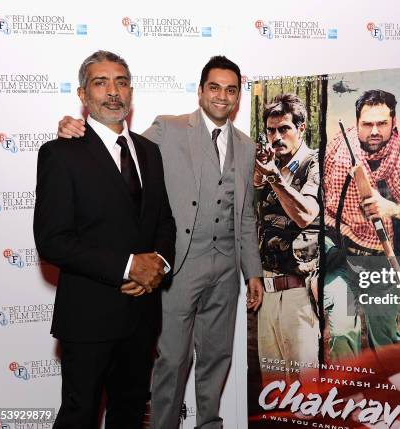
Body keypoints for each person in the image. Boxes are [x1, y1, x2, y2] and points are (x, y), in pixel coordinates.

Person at [57, 55, 264, 429]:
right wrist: (77, 128)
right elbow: (118, 147)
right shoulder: (168, 130)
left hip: (225, 270)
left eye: (230, 89)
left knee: (218, 356)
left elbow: (246, 214)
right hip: (179, 266)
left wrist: (253, 272)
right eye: (214, 87)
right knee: (172, 359)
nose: (222, 96)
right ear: (200, 91)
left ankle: (209, 424)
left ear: (237, 97)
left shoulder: (246, 147)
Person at [34, 50, 176, 428]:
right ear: (83, 95)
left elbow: (164, 221)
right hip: (88, 317)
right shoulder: (60, 154)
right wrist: (129, 267)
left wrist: (158, 265)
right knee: (80, 416)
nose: (113, 92)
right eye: (101, 82)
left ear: (131, 91)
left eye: (121, 82)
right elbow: (52, 240)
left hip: (142, 315)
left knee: (129, 414)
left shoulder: (150, 152)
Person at [322, 89, 400, 362]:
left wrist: (390, 208)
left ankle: (394, 399)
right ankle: (349, 400)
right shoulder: (337, 153)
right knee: (342, 335)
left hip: (382, 263)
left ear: (393, 122)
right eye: (367, 124)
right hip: (342, 260)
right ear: (356, 122)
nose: (374, 131)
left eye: (381, 123)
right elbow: (322, 206)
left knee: (387, 345)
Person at [253, 93, 320, 381]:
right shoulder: (272, 165)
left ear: (301, 128)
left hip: (300, 294)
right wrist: (260, 175)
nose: (276, 136)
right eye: (271, 130)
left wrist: (273, 178)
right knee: (274, 392)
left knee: (305, 395)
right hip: (267, 296)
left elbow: (305, 214)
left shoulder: (315, 163)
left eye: (284, 129)